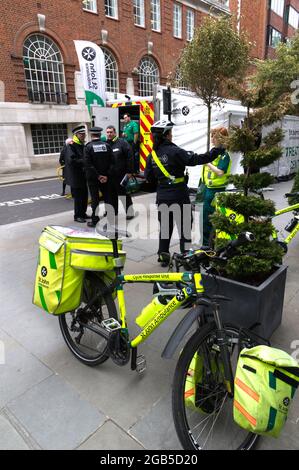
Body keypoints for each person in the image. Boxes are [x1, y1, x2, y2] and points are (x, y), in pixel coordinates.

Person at [145, 120, 223, 267]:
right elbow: (196, 159)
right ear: (167, 135)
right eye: (170, 133)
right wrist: (216, 151)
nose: (171, 135)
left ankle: (163, 257)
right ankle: (186, 257)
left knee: (165, 228)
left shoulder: (152, 155)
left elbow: (148, 178)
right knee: (185, 227)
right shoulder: (175, 151)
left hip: (162, 196)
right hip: (179, 196)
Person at [201, 127, 232, 246]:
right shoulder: (214, 152)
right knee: (207, 219)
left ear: (221, 139)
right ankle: (208, 243)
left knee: (211, 219)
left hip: (216, 191)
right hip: (208, 189)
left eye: (214, 137)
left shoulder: (224, 155)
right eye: (212, 136)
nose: (212, 139)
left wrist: (207, 163)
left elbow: (220, 172)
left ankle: (210, 244)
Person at [106, 125, 136, 222]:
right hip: (110, 175)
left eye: (111, 132)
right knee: (111, 195)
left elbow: (130, 157)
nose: (109, 134)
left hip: (121, 175)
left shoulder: (122, 143)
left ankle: (130, 212)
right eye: (108, 132)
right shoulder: (105, 144)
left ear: (115, 133)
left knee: (124, 194)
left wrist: (130, 171)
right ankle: (113, 212)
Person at [84, 126, 113, 227]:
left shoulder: (88, 147)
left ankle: (95, 220)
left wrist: (98, 176)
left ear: (91, 135)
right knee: (107, 197)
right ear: (100, 134)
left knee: (95, 199)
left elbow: (88, 164)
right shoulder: (107, 146)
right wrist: (105, 175)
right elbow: (112, 162)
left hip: (93, 178)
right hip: (106, 178)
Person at [64, 124, 89, 223]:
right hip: (76, 176)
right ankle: (77, 215)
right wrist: (85, 161)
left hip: (82, 175)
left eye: (84, 134)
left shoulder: (81, 144)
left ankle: (83, 213)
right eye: (81, 134)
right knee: (78, 197)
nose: (83, 135)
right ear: (76, 134)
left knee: (84, 196)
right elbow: (72, 160)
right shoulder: (72, 145)